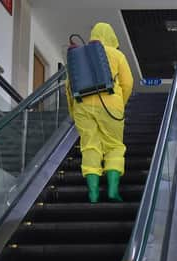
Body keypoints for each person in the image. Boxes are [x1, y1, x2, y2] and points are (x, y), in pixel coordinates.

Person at [66, 22, 133, 203]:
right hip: (111, 104)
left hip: (82, 105)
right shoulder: (116, 54)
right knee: (114, 146)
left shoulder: (78, 57)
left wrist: (73, 111)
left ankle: (93, 193)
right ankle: (112, 190)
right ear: (111, 36)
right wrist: (120, 103)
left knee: (90, 146)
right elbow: (128, 82)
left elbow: (69, 86)